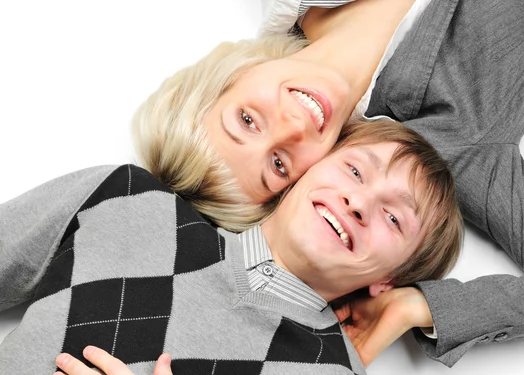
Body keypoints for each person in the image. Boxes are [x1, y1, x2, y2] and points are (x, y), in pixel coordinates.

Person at [132, 0, 524, 368]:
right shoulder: (448, 145)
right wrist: (417, 306)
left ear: (228, 77)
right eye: (278, 165)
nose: (292, 126)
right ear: (303, 181)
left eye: (246, 121)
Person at [0, 119, 462, 374]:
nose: (358, 202)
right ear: (308, 170)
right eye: (356, 171)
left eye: (394, 217)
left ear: (389, 281)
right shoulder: (124, 196)